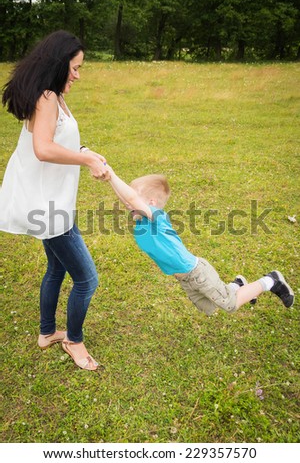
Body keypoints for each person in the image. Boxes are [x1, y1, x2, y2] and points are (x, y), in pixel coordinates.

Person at [1, 30, 110, 371]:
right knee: (87, 279)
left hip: (55, 203)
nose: (77, 75)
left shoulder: (55, 95)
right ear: (58, 64)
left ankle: (47, 333)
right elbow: (43, 149)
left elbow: (55, 139)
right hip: (49, 210)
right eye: (74, 68)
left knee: (57, 267)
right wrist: (87, 161)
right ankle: (73, 341)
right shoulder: (47, 96)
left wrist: (82, 150)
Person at [105, 169, 294, 315]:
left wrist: (111, 173)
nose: (128, 203)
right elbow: (127, 199)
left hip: (197, 273)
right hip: (185, 279)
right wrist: (106, 176)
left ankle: (271, 281)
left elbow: (130, 198)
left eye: (134, 198)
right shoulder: (142, 221)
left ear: (151, 202)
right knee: (208, 308)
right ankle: (238, 285)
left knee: (229, 304)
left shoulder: (157, 217)